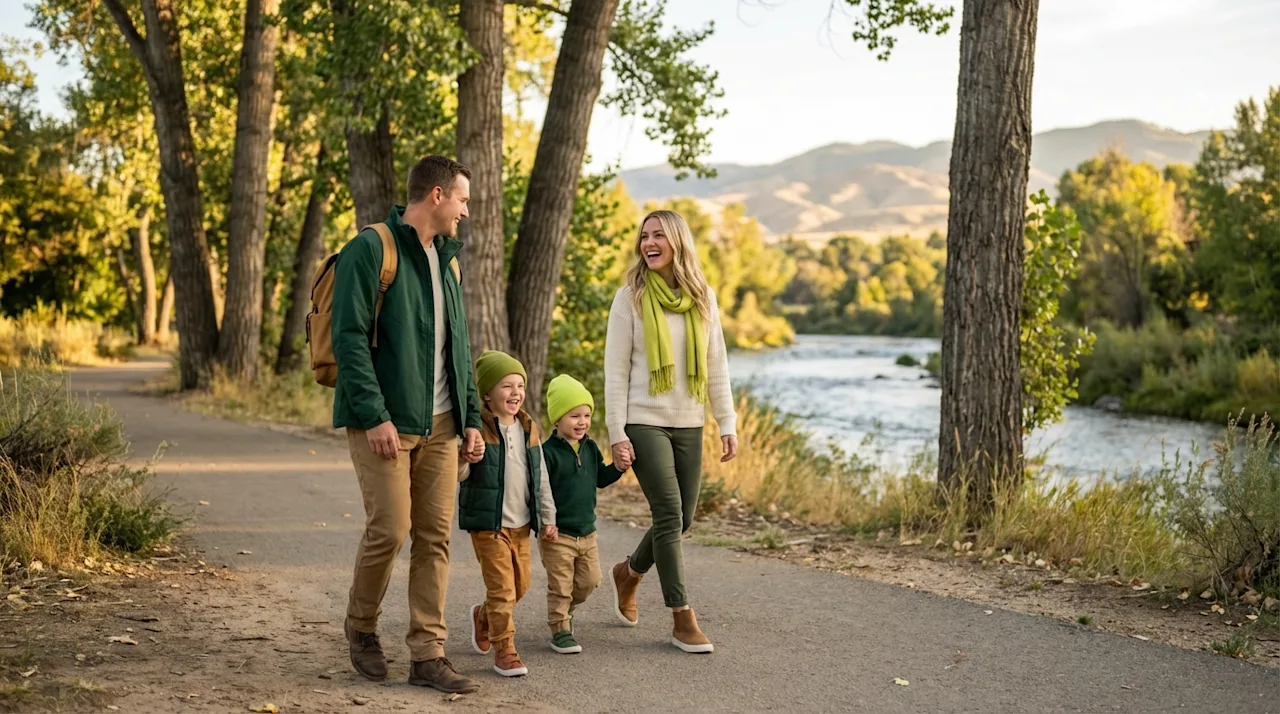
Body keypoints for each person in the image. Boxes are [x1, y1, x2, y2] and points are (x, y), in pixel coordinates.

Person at [331, 155, 485, 693]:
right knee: (391, 529)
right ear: (438, 196)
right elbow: (346, 337)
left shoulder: (448, 260)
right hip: (386, 423)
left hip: (443, 426)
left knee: (435, 537)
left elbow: (458, 348)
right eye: (462, 199)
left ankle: (428, 654)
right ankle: (362, 627)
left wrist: (471, 418)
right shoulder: (372, 247)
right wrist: (374, 414)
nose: (466, 211)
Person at [604, 209, 739, 654]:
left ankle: (629, 572)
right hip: (643, 419)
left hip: (689, 421)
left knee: (683, 518)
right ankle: (682, 616)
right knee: (668, 514)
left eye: (658, 235)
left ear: (678, 241)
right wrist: (617, 432)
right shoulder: (629, 298)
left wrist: (727, 422)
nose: (649, 243)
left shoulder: (703, 298)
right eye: (644, 236)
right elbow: (615, 371)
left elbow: (716, 364)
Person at [459, 350, 558, 677]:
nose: (515, 392)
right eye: (506, 386)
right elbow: (457, 474)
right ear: (487, 394)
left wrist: (548, 518)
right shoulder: (477, 430)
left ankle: (483, 616)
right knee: (502, 589)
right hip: (489, 525)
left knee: (521, 585)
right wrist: (466, 460)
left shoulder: (529, 428)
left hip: (521, 525)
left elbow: (540, 475)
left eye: (520, 385)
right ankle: (506, 649)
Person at [537, 374, 627, 654]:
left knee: (590, 582)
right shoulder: (547, 453)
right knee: (560, 586)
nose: (582, 422)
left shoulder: (589, 448)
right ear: (557, 419)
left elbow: (601, 477)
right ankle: (560, 629)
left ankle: (565, 610)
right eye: (574, 415)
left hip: (587, 533)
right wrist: (545, 523)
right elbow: (540, 493)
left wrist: (620, 468)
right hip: (558, 534)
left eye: (586, 415)